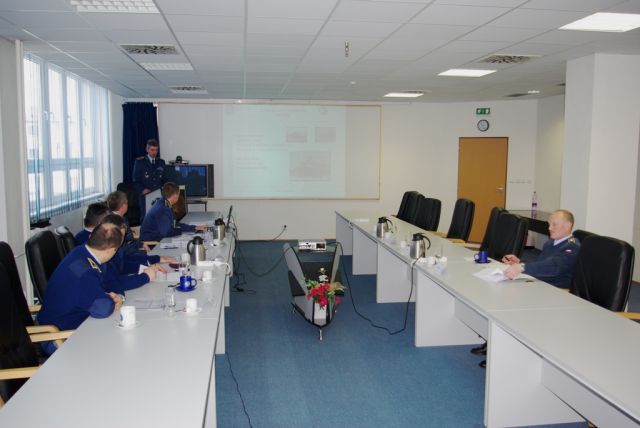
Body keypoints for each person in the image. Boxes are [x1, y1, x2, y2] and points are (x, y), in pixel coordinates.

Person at [37, 222, 126, 353]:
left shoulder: (81, 252)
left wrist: (112, 296)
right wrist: (113, 300)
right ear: (111, 250)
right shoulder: (83, 270)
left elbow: (102, 286)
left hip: (72, 323)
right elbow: (102, 308)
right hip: (56, 336)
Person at [503, 209, 580, 289]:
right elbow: (542, 264)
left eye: (554, 224)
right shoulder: (550, 243)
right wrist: (519, 262)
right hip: (541, 283)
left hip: (558, 289)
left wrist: (523, 267)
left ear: (567, 226)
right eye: (549, 224)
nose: (550, 228)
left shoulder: (572, 246)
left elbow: (554, 267)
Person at [140, 182, 205, 242]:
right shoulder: (163, 209)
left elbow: (174, 224)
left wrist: (194, 227)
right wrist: (180, 231)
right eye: (178, 194)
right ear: (175, 196)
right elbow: (167, 233)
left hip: (158, 238)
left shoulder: (164, 203)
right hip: (152, 244)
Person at [106, 190, 149, 255]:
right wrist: (140, 245)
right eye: (127, 202)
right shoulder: (117, 222)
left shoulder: (115, 217)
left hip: (128, 249)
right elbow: (126, 244)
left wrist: (140, 244)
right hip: (124, 254)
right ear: (123, 206)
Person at [132, 138, 166, 221]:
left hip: (159, 195)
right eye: (152, 150)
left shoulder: (161, 162)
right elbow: (136, 181)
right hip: (146, 196)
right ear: (147, 149)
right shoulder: (140, 162)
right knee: (146, 219)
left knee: (159, 218)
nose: (154, 152)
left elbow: (164, 179)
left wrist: (164, 189)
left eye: (156, 150)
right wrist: (143, 190)